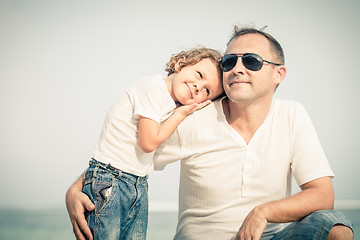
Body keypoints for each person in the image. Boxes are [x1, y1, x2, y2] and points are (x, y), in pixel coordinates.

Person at [66, 26, 354, 240]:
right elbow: (128, 154)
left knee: (335, 226)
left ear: (279, 74)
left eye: (251, 61)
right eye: (229, 62)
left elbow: (322, 196)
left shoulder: (293, 115)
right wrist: (75, 190)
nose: (237, 68)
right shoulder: (194, 119)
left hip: (267, 235)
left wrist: (263, 212)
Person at [70, 47, 224, 240]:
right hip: (109, 178)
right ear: (180, 63)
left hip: (138, 182)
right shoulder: (153, 88)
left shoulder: (169, 104)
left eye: (206, 91)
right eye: (199, 75)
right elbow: (148, 143)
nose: (198, 87)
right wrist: (180, 114)